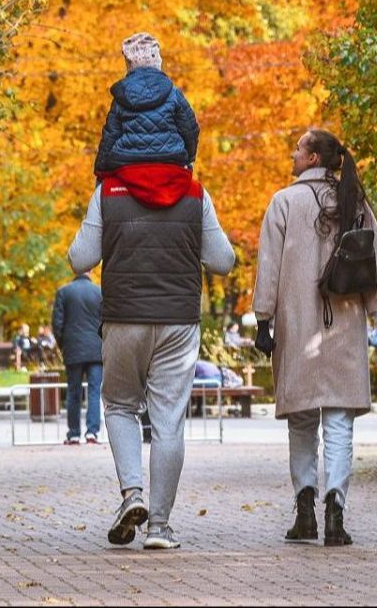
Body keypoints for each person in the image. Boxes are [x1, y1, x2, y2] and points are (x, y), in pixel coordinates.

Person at [69, 161, 235, 550]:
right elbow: (224, 261)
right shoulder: (195, 193)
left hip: (123, 318)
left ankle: (132, 494)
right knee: (169, 421)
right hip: (179, 321)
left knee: (121, 406)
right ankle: (159, 527)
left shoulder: (108, 192)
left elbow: (80, 259)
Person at [252, 128, 377, 547]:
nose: (292, 153)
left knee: (301, 422)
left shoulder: (283, 203)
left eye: (298, 148)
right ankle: (336, 509)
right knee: (339, 423)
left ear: (314, 157)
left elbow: (268, 266)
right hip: (345, 326)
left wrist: (263, 321)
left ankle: (305, 512)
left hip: (298, 329)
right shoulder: (355, 202)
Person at [94, 32, 199, 178]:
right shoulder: (174, 93)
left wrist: (100, 170)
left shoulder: (121, 98)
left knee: (98, 199)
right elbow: (190, 130)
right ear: (157, 62)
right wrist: (189, 158)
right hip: (170, 159)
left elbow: (110, 135)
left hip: (126, 163)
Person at [51, 272, 105, 445]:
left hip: (73, 349)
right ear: (89, 272)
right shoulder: (99, 292)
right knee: (94, 392)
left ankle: (74, 433)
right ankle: (92, 432)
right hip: (96, 350)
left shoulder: (64, 292)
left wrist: (63, 344)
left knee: (73, 393)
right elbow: (105, 320)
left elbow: (57, 323)